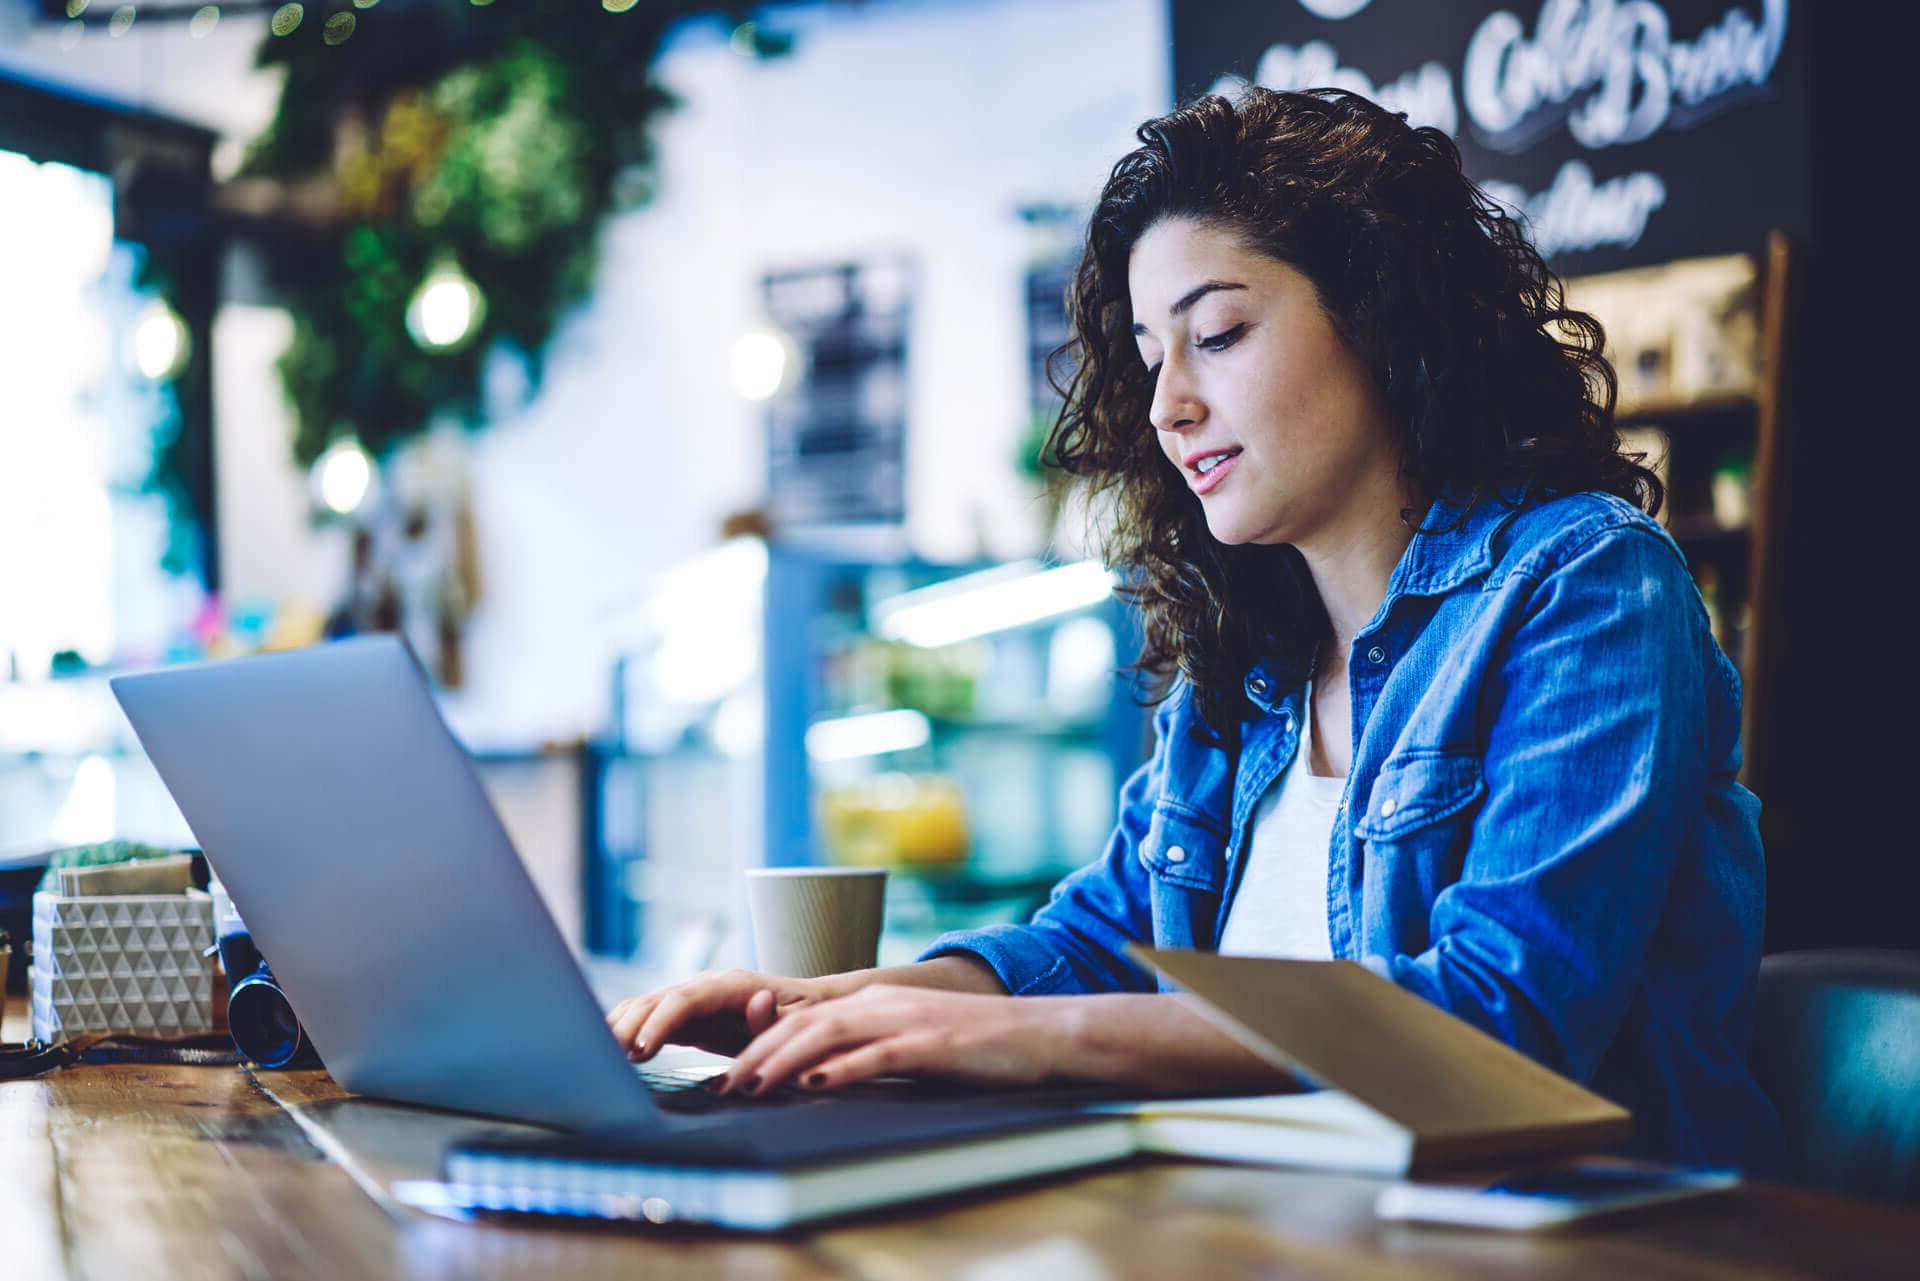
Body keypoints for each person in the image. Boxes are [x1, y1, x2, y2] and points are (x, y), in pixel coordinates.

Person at [608, 87, 1783, 1171]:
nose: (1170, 405)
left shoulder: (1588, 587)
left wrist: (1041, 1042)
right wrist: (834, 1003)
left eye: (1215, 335)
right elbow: (1106, 936)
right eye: (1149, 356)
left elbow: (1503, 1025)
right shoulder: (1254, 653)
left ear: (1383, 322)